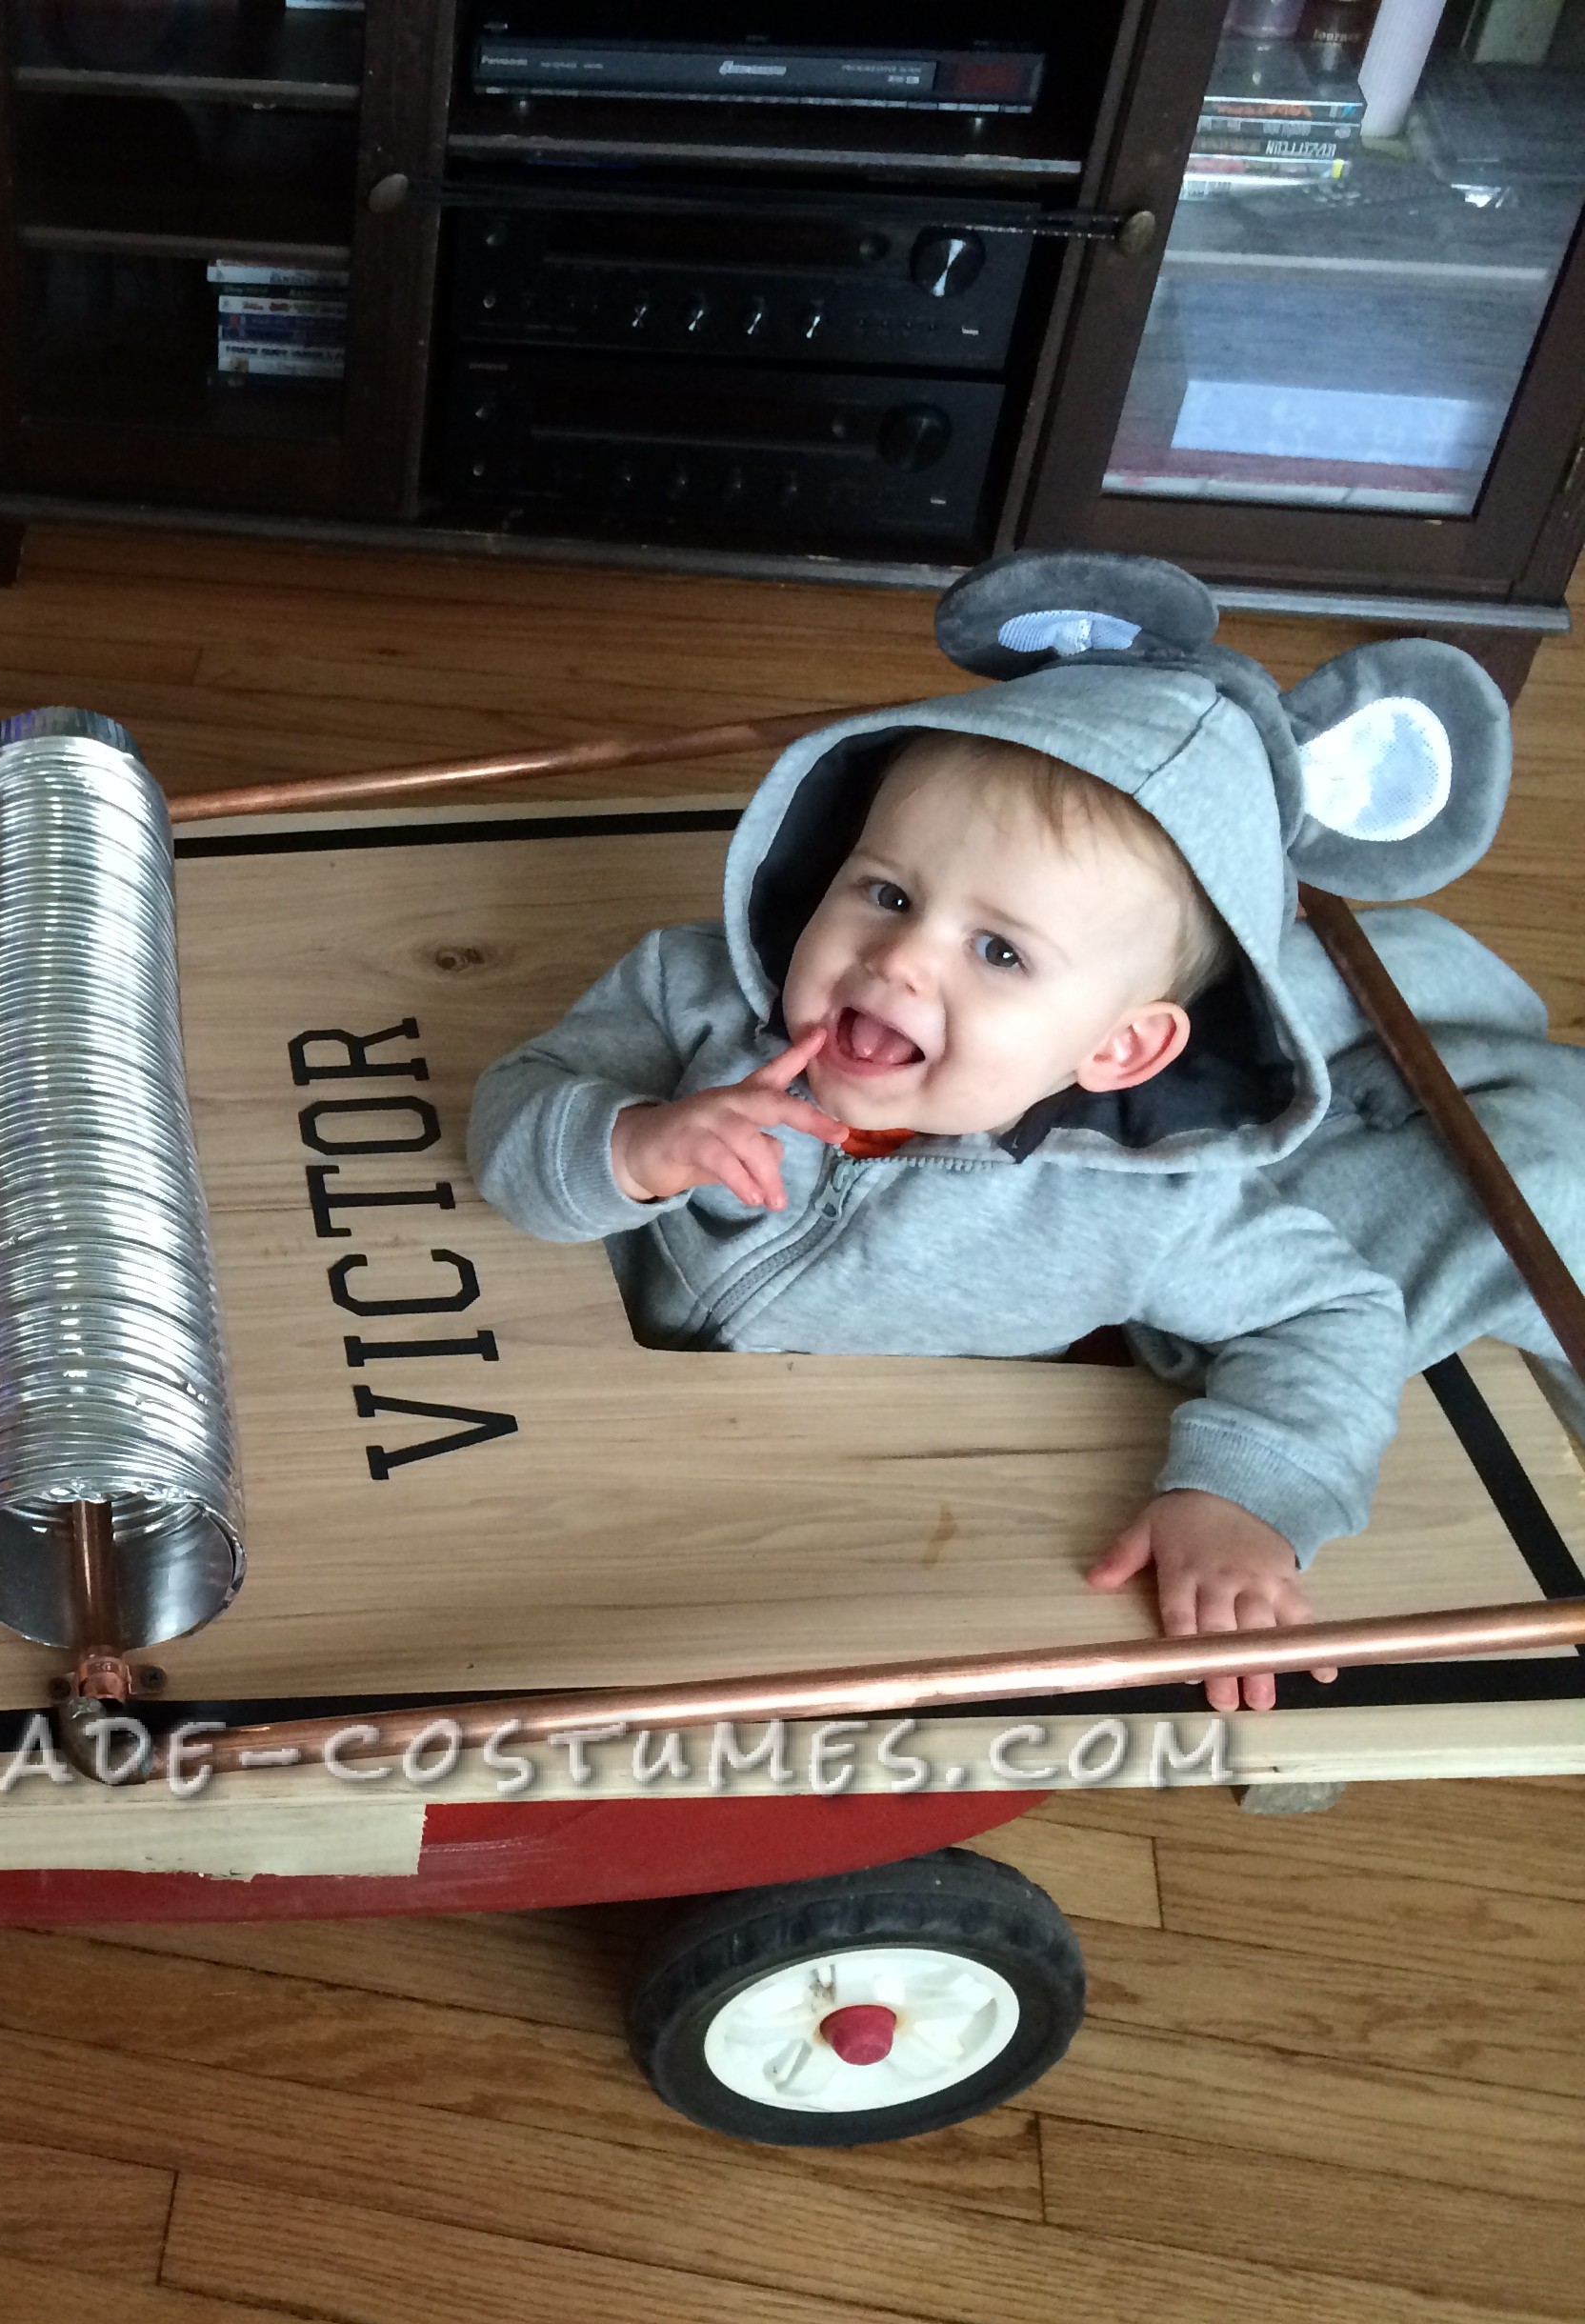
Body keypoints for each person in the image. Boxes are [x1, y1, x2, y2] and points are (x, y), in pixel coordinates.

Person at [469, 549, 1552, 1713]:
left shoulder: (1145, 1207)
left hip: (835, 1502)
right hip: (549, 1425)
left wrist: (1249, 1494)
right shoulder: (695, 1000)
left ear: (1119, 1050)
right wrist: (630, 1144)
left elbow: (1332, 1310)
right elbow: (515, 1114)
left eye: (1001, 952)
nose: (899, 961)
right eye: (885, 892)